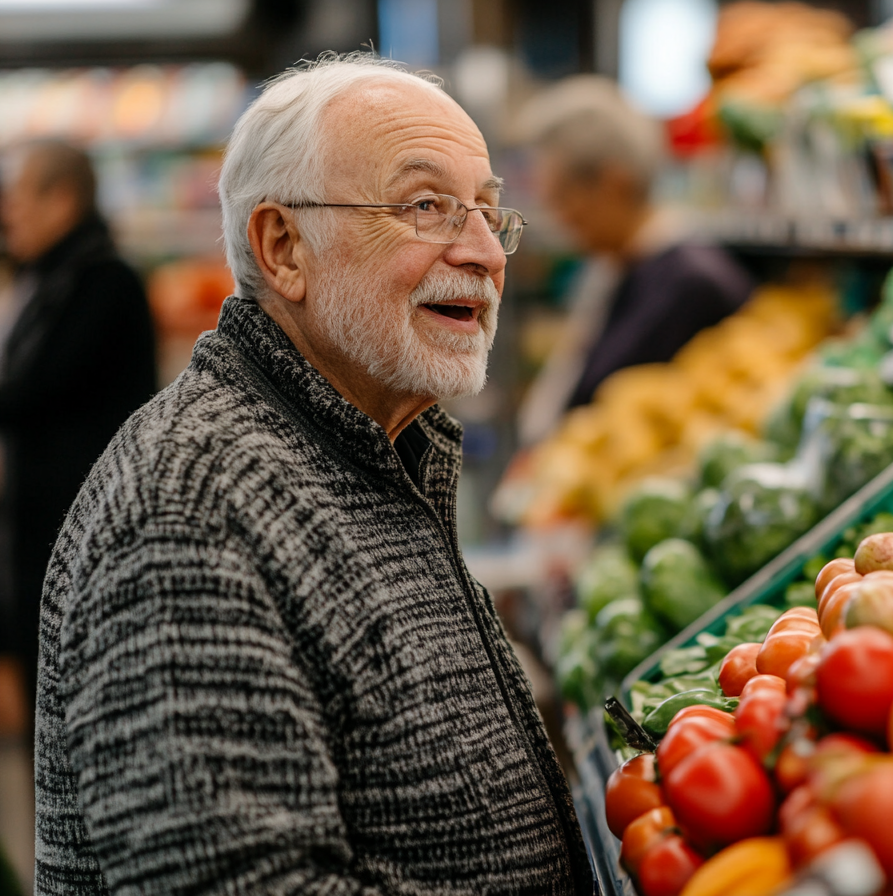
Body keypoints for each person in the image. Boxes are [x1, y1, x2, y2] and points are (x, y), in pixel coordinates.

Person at [34, 54, 593, 895]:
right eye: (426, 206)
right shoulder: (189, 517)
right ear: (283, 246)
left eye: (486, 208)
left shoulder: (368, 449)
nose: (484, 252)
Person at [0, 140, 157, 734]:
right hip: (48, 525)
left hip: (79, 532)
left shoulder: (102, 283)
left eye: (16, 195)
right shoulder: (53, 277)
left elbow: (37, 389)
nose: (7, 210)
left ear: (61, 199)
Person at [514, 76, 754, 445]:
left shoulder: (693, 286)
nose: (560, 219)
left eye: (563, 199)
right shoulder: (613, 268)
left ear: (614, 183)